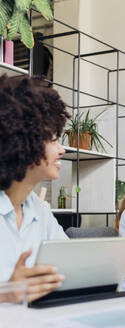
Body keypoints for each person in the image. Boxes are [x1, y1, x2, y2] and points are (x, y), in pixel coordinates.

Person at [0, 74, 69, 302]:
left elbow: (69, 265)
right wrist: (5, 293)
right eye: (52, 140)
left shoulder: (37, 208)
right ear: (21, 141)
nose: (62, 150)